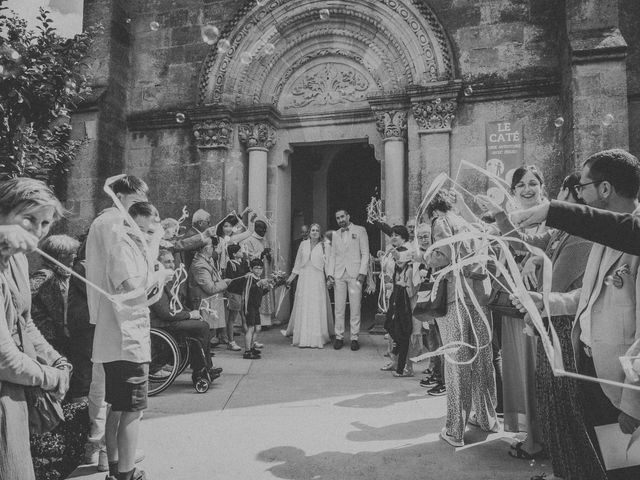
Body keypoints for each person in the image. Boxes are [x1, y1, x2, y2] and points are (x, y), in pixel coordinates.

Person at [512, 149, 640, 480]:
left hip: (622, 390)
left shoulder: (632, 236)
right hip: (594, 374)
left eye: (583, 186)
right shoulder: (603, 236)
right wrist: (551, 302)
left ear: (606, 189)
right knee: (606, 465)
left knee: (625, 470)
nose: (579, 192)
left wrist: (632, 404)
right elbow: (591, 295)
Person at [480, 174, 605, 479]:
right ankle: (563, 469)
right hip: (549, 326)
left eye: (559, 189)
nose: (551, 197)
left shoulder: (579, 236)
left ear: (574, 194)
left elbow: (555, 287)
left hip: (563, 332)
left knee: (563, 408)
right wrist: (499, 214)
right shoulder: (563, 231)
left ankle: (573, 471)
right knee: (552, 404)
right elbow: (522, 243)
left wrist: (530, 306)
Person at [0, 177, 72, 480]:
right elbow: (4, 359)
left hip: (15, 393)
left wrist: (55, 359)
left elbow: (24, 320)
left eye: (44, 223)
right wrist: (50, 376)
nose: (37, 230)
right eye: (28, 218)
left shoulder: (17, 261)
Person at [94, 201, 167, 480]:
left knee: (118, 405)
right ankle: (126, 472)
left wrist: (155, 253)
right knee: (132, 411)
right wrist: (159, 275)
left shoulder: (130, 246)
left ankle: (116, 467)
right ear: (136, 218)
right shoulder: (122, 247)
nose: (156, 227)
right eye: (154, 220)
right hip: (126, 341)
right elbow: (133, 288)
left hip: (122, 339)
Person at [85, 175, 148, 470]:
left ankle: (111, 459)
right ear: (120, 196)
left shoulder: (111, 222)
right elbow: (126, 280)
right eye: (136, 201)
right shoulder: (115, 225)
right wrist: (155, 277)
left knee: (115, 400)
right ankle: (112, 460)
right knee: (122, 403)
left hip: (115, 321)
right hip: (120, 323)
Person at [425, 190, 497, 448]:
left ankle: (455, 430)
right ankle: (488, 418)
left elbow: (442, 254)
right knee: (482, 358)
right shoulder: (470, 223)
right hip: (479, 295)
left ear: (433, 210)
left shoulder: (440, 221)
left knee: (456, 361)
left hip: (455, 295)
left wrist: (426, 256)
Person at [499, 165, 547, 459]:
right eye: (521, 185)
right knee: (521, 369)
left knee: (538, 370)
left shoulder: (550, 219)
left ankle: (539, 439)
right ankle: (532, 432)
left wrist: (534, 258)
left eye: (533, 183)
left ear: (543, 186)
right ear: (513, 191)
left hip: (540, 307)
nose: (527, 190)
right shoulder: (512, 221)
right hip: (513, 306)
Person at [150, 249, 221, 385]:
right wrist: (189, 314)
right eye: (167, 262)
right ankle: (201, 370)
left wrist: (193, 314)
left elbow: (177, 305)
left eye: (172, 262)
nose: (171, 265)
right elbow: (165, 312)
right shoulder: (157, 282)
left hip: (167, 319)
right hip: (161, 323)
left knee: (200, 327)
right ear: (158, 264)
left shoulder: (165, 280)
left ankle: (203, 369)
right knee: (202, 327)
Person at [284, 223, 334, 348]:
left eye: (317, 230)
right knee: (304, 304)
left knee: (316, 305)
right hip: (304, 278)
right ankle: (303, 337)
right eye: (313, 230)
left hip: (317, 278)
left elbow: (328, 264)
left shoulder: (325, 245)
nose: (315, 232)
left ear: (320, 232)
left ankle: (317, 336)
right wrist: (291, 278)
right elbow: (298, 263)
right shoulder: (303, 244)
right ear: (309, 232)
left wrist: (329, 277)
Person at [326, 208, 369, 351]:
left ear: (348, 216)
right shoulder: (335, 234)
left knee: (355, 307)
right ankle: (339, 337)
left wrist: (362, 272)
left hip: (355, 273)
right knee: (339, 307)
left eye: (342, 217)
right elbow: (332, 255)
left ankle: (354, 337)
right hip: (339, 274)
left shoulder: (360, 230)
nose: (340, 220)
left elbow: (365, 253)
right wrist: (330, 274)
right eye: (338, 218)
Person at [29, 234, 80, 355]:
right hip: (49, 334)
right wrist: (41, 317)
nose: (76, 256)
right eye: (73, 253)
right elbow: (24, 297)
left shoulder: (66, 275)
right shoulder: (46, 274)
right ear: (62, 255)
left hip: (63, 333)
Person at [382, 227, 416, 377]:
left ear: (404, 237)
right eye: (392, 235)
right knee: (391, 327)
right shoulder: (392, 250)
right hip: (393, 291)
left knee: (404, 330)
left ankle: (407, 366)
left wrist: (396, 256)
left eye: (397, 235)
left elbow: (403, 264)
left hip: (404, 294)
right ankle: (395, 360)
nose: (393, 237)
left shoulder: (408, 250)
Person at [188, 242, 231, 347]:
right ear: (206, 249)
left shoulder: (205, 261)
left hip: (209, 301)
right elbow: (210, 288)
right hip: (205, 302)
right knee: (207, 331)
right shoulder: (200, 265)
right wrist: (224, 283)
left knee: (210, 331)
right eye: (212, 247)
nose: (214, 249)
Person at [240, 219, 274, 343]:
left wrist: (269, 256)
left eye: (265, 229)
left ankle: (265, 322)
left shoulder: (264, 240)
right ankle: (250, 344)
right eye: (261, 229)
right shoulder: (248, 240)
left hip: (264, 271)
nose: (263, 231)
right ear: (255, 228)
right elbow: (248, 257)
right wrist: (261, 254)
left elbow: (269, 257)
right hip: (255, 275)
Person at [241, 258, 272, 359]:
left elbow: (259, 293)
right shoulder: (250, 278)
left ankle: (252, 346)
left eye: (260, 268)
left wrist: (268, 288)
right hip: (249, 306)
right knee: (250, 328)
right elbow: (248, 291)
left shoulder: (258, 279)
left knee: (257, 328)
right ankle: (247, 351)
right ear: (251, 268)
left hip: (255, 306)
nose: (258, 270)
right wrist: (259, 284)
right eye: (256, 268)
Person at [225, 244, 249, 352]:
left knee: (244, 316)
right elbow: (232, 280)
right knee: (232, 318)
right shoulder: (230, 264)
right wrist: (244, 277)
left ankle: (248, 339)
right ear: (234, 254)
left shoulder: (242, 262)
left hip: (241, 292)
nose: (242, 252)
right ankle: (231, 341)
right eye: (240, 251)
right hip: (234, 293)